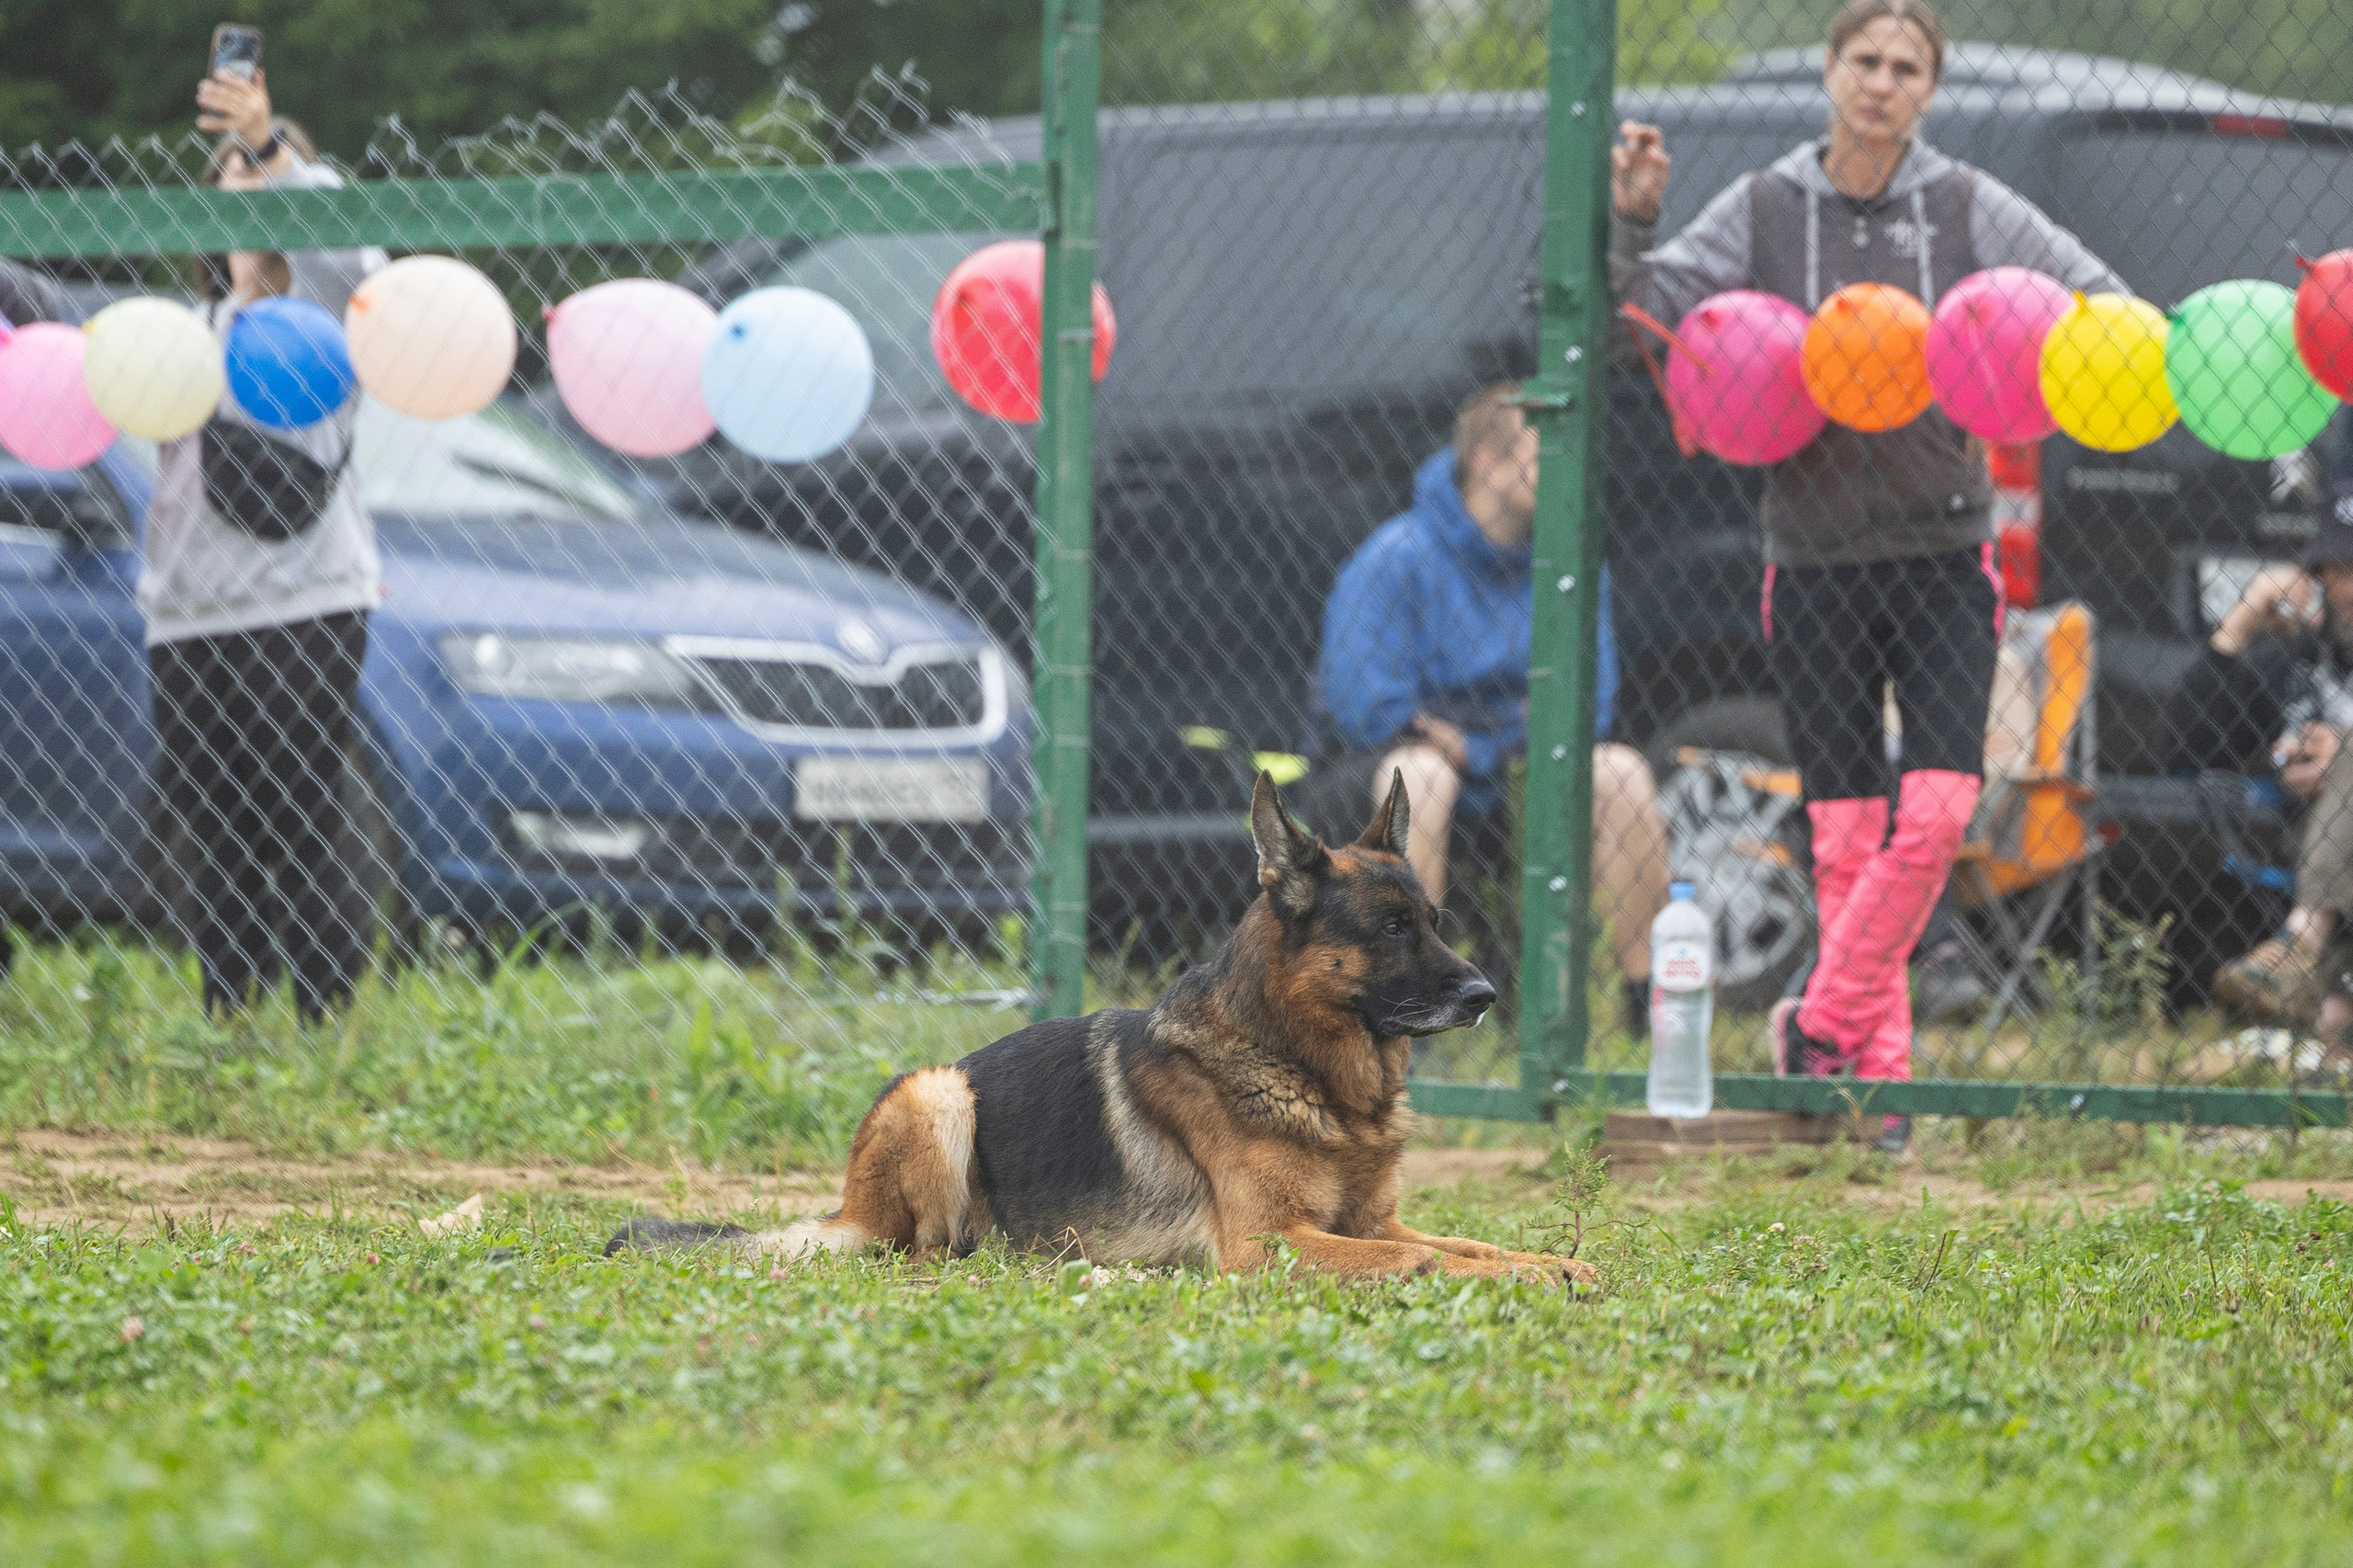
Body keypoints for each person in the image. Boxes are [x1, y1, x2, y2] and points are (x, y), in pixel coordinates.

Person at [1609, 0, 2127, 1119]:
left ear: (1929, 90)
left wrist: (2075, 354)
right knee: (1845, 836)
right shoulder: (1761, 207)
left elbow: (2097, 300)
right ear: (1830, 73)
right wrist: (1633, 224)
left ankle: (1821, 1019)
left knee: (1935, 812)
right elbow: (1643, 319)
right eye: (1865, 61)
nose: (1882, 83)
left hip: (1944, 555)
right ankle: (1873, 1093)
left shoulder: (1963, 203)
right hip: (1810, 563)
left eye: (1905, 67)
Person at [140, 62, 387, 1021]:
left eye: (257, 184)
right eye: (228, 184)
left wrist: (267, 144)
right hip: (187, 614)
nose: (241, 197)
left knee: (301, 811)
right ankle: (229, 1017)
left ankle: (325, 1019)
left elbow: (348, 247)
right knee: (217, 826)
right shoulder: (177, 333)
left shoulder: (326, 318)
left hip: (306, 603)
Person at [1312, 383, 1672, 1035]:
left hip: (1517, 764)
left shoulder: (1572, 565)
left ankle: (1648, 1007)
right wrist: (1477, 732)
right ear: (1484, 463)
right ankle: (1411, 1006)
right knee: (1421, 776)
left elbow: (1589, 701)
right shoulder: (1397, 556)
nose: (1562, 477)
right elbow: (1366, 702)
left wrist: (1480, 740)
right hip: (1399, 773)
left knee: (1621, 771)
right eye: (1543, 459)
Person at [2200, 417, 2353, 1057]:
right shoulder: (2305, 646)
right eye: (2336, 568)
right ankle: (2335, 1027)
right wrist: (2239, 628)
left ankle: (2304, 945)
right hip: (2313, 830)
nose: (2348, 585)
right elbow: (2187, 745)